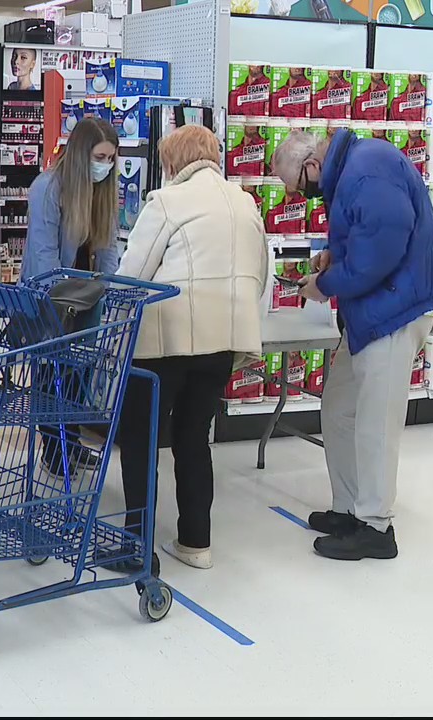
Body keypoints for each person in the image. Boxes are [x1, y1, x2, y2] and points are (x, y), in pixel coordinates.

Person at [273, 129, 433, 561]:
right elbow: (362, 236)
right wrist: (333, 257)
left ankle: (375, 527)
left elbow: (380, 253)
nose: (305, 197)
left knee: (376, 420)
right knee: (338, 407)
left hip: (395, 308)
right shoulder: (350, 172)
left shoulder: (367, 169)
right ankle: (349, 508)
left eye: (300, 188)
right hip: (370, 312)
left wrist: (325, 284)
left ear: (311, 166)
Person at [112, 125, 269, 570]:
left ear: (171, 163)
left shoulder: (167, 202)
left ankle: (135, 546)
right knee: (194, 439)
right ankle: (196, 543)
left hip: (167, 341)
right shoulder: (244, 202)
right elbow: (261, 271)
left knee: (141, 440)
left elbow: (133, 274)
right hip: (223, 343)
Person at [20, 116, 122, 477]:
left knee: (79, 373)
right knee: (53, 375)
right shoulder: (48, 188)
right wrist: (59, 296)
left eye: (111, 159)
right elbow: (43, 255)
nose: (105, 166)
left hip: (88, 295)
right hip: (52, 297)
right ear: (81, 154)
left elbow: (108, 246)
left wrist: (108, 286)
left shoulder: (104, 191)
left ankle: (72, 443)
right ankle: (54, 449)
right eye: (100, 157)